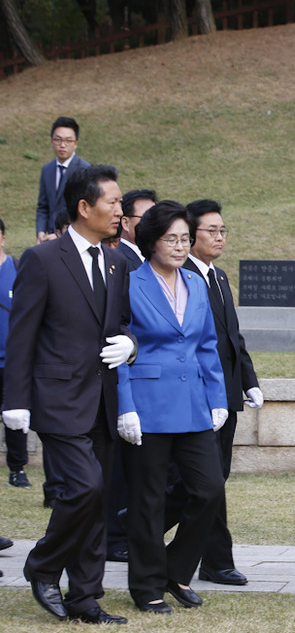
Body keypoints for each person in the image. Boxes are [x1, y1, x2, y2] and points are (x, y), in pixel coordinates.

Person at [2, 164, 136, 624]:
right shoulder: (41, 259)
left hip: (104, 399)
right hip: (57, 399)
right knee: (86, 488)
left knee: (97, 501)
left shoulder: (118, 260)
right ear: (84, 207)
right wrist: (14, 401)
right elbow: (22, 335)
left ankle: (85, 599)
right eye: (113, 202)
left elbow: (121, 325)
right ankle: (41, 566)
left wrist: (131, 345)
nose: (120, 210)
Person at [115, 200, 228, 614]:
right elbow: (116, 347)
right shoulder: (129, 282)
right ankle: (146, 586)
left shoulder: (196, 283)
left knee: (209, 488)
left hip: (194, 403)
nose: (181, 247)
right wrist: (125, 406)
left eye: (185, 238)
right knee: (147, 500)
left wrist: (217, 399)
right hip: (147, 405)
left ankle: (175, 570)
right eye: (172, 239)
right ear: (151, 240)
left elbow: (207, 346)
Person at [173, 198, 262, 586]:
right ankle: (214, 559)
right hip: (198, 397)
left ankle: (209, 557)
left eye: (223, 230)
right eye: (212, 230)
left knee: (215, 478)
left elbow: (232, 337)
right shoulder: (183, 276)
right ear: (191, 236)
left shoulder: (219, 276)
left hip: (227, 395)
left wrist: (250, 380)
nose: (220, 236)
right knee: (204, 481)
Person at [104, 189, 156, 562]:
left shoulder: (144, 260)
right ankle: (114, 536)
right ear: (125, 223)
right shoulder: (120, 260)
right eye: (146, 220)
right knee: (120, 468)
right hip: (123, 377)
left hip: (145, 376)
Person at [0, 218, 31, 489]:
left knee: (15, 417)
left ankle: (17, 469)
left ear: (3, 238)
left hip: (11, 361)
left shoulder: (17, 268)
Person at [36, 117, 91, 243]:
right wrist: (40, 232)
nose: (62, 145)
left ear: (76, 143)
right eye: (58, 139)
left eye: (68, 140)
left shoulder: (85, 170)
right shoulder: (47, 169)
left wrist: (61, 235)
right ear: (51, 141)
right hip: (49, 238)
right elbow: (43, 206)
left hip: (74, 238)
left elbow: (84, 210)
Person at [117, 190, 157, 268]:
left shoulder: (159, 258)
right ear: (126, 223)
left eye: (156, 218)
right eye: (147, 217)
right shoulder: (117, 261)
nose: (155, 224)